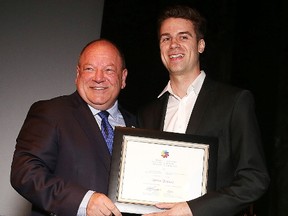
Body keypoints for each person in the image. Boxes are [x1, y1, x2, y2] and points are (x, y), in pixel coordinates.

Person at [138, 5, 270, 216]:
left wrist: (192, 210)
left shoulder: (234, 102)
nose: (174, 45)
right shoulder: (147, 114)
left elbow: (254, 178)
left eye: (183, 37)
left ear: (200, 45)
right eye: (166, 38)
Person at [10, 39, 137, 216]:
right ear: (77, 74)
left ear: (123, 78)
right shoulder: (51, 112)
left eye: (108, 70)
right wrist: (84, 202)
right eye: (89, 69)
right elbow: (25, 173)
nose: (98, 77)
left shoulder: (139, 125)